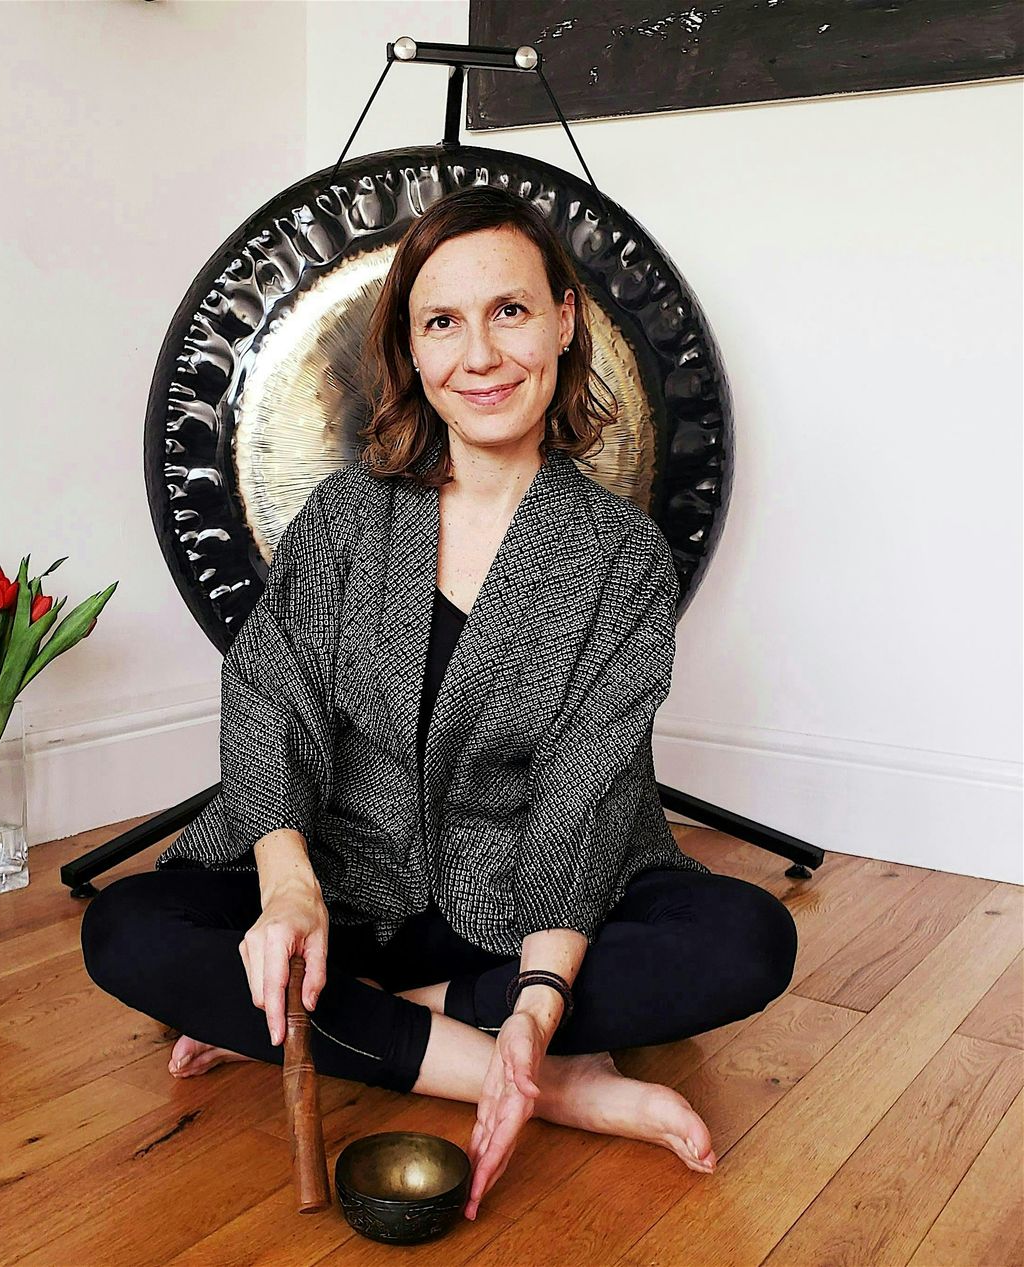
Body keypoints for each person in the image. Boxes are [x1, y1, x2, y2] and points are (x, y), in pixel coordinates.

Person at [81, 185, 798, 1221]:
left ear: (565, 319)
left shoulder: (620, 557)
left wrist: (538, 1002)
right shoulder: (346, 517)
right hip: (345, 893)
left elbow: (585, 799)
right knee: (127, 931)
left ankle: (345, 1024)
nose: (481, 355)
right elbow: (270, 700)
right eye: (443, 323)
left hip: (515, 914)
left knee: (746, 941)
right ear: (412, 351)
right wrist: (288, 891)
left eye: (509, 311)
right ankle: (561, 1090)